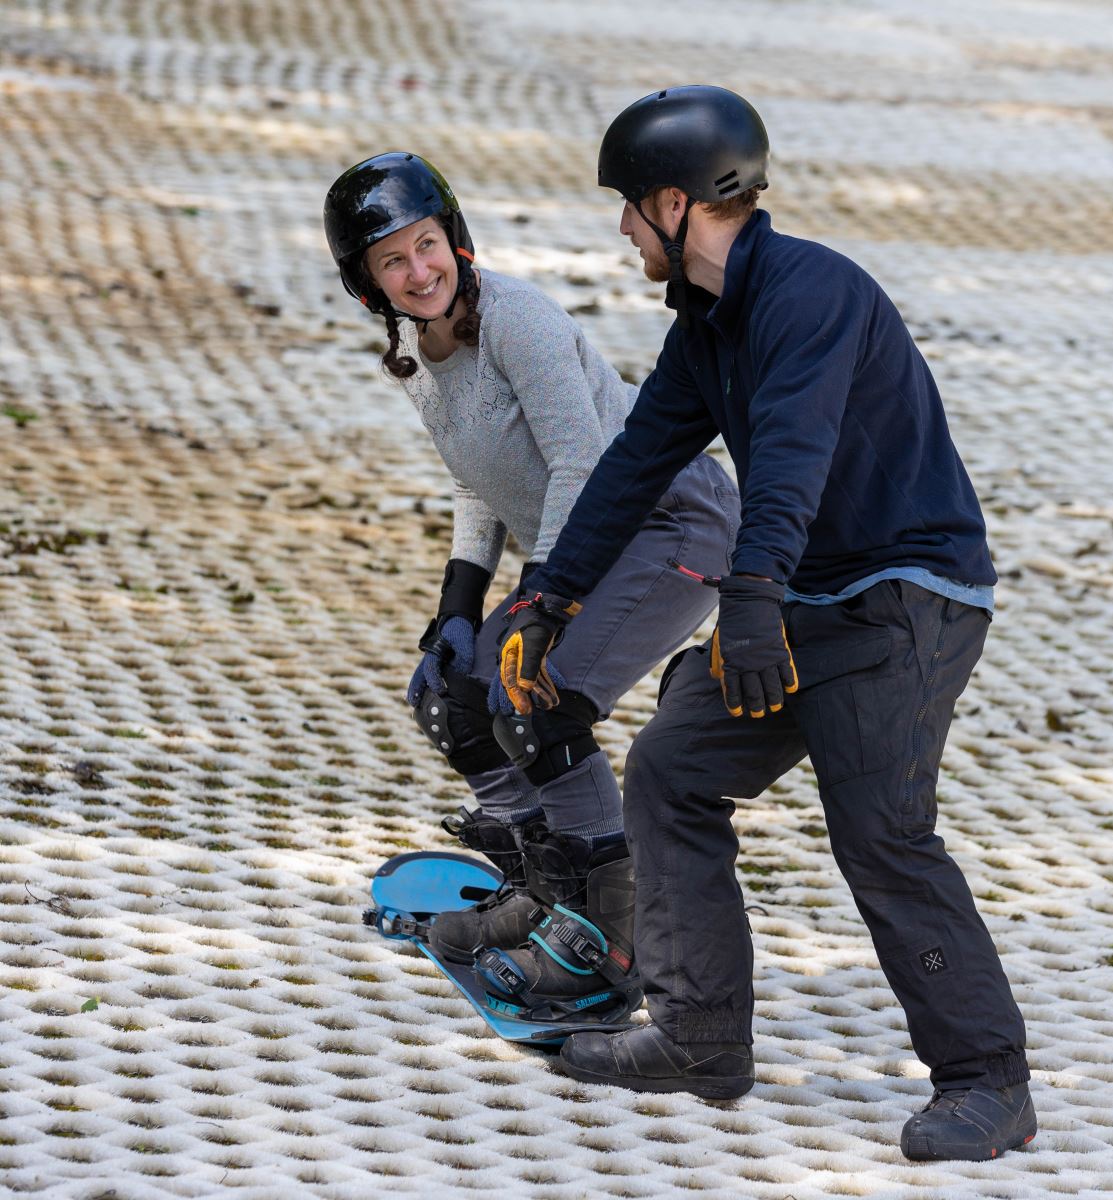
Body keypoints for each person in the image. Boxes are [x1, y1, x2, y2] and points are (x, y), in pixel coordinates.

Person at [497, 87, 1035, 1161]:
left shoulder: (813, 295)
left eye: (625, 210)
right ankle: (698, 1038)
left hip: (906, 594)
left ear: (673, 203)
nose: (620, 232)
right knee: (673, 771)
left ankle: (989, 1080)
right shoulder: (710, 327)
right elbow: (634, 464)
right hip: (804, 594)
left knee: (880, 829)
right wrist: (548, 595)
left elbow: (791, 457)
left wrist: (749, 604)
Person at [323, 152, 739, 1020]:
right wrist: (457, 609)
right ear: (368, 284)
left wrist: (544, 603)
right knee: (456, 696)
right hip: (594, 540)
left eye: (427, 245)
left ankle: (603, 939)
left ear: (456, 240)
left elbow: (582, 465)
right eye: (391, 261)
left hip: (673, 525)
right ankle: (538, 881)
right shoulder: (418, 352)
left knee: (535, 699)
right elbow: (478, 478)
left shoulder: (518, 321)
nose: (418, 270)